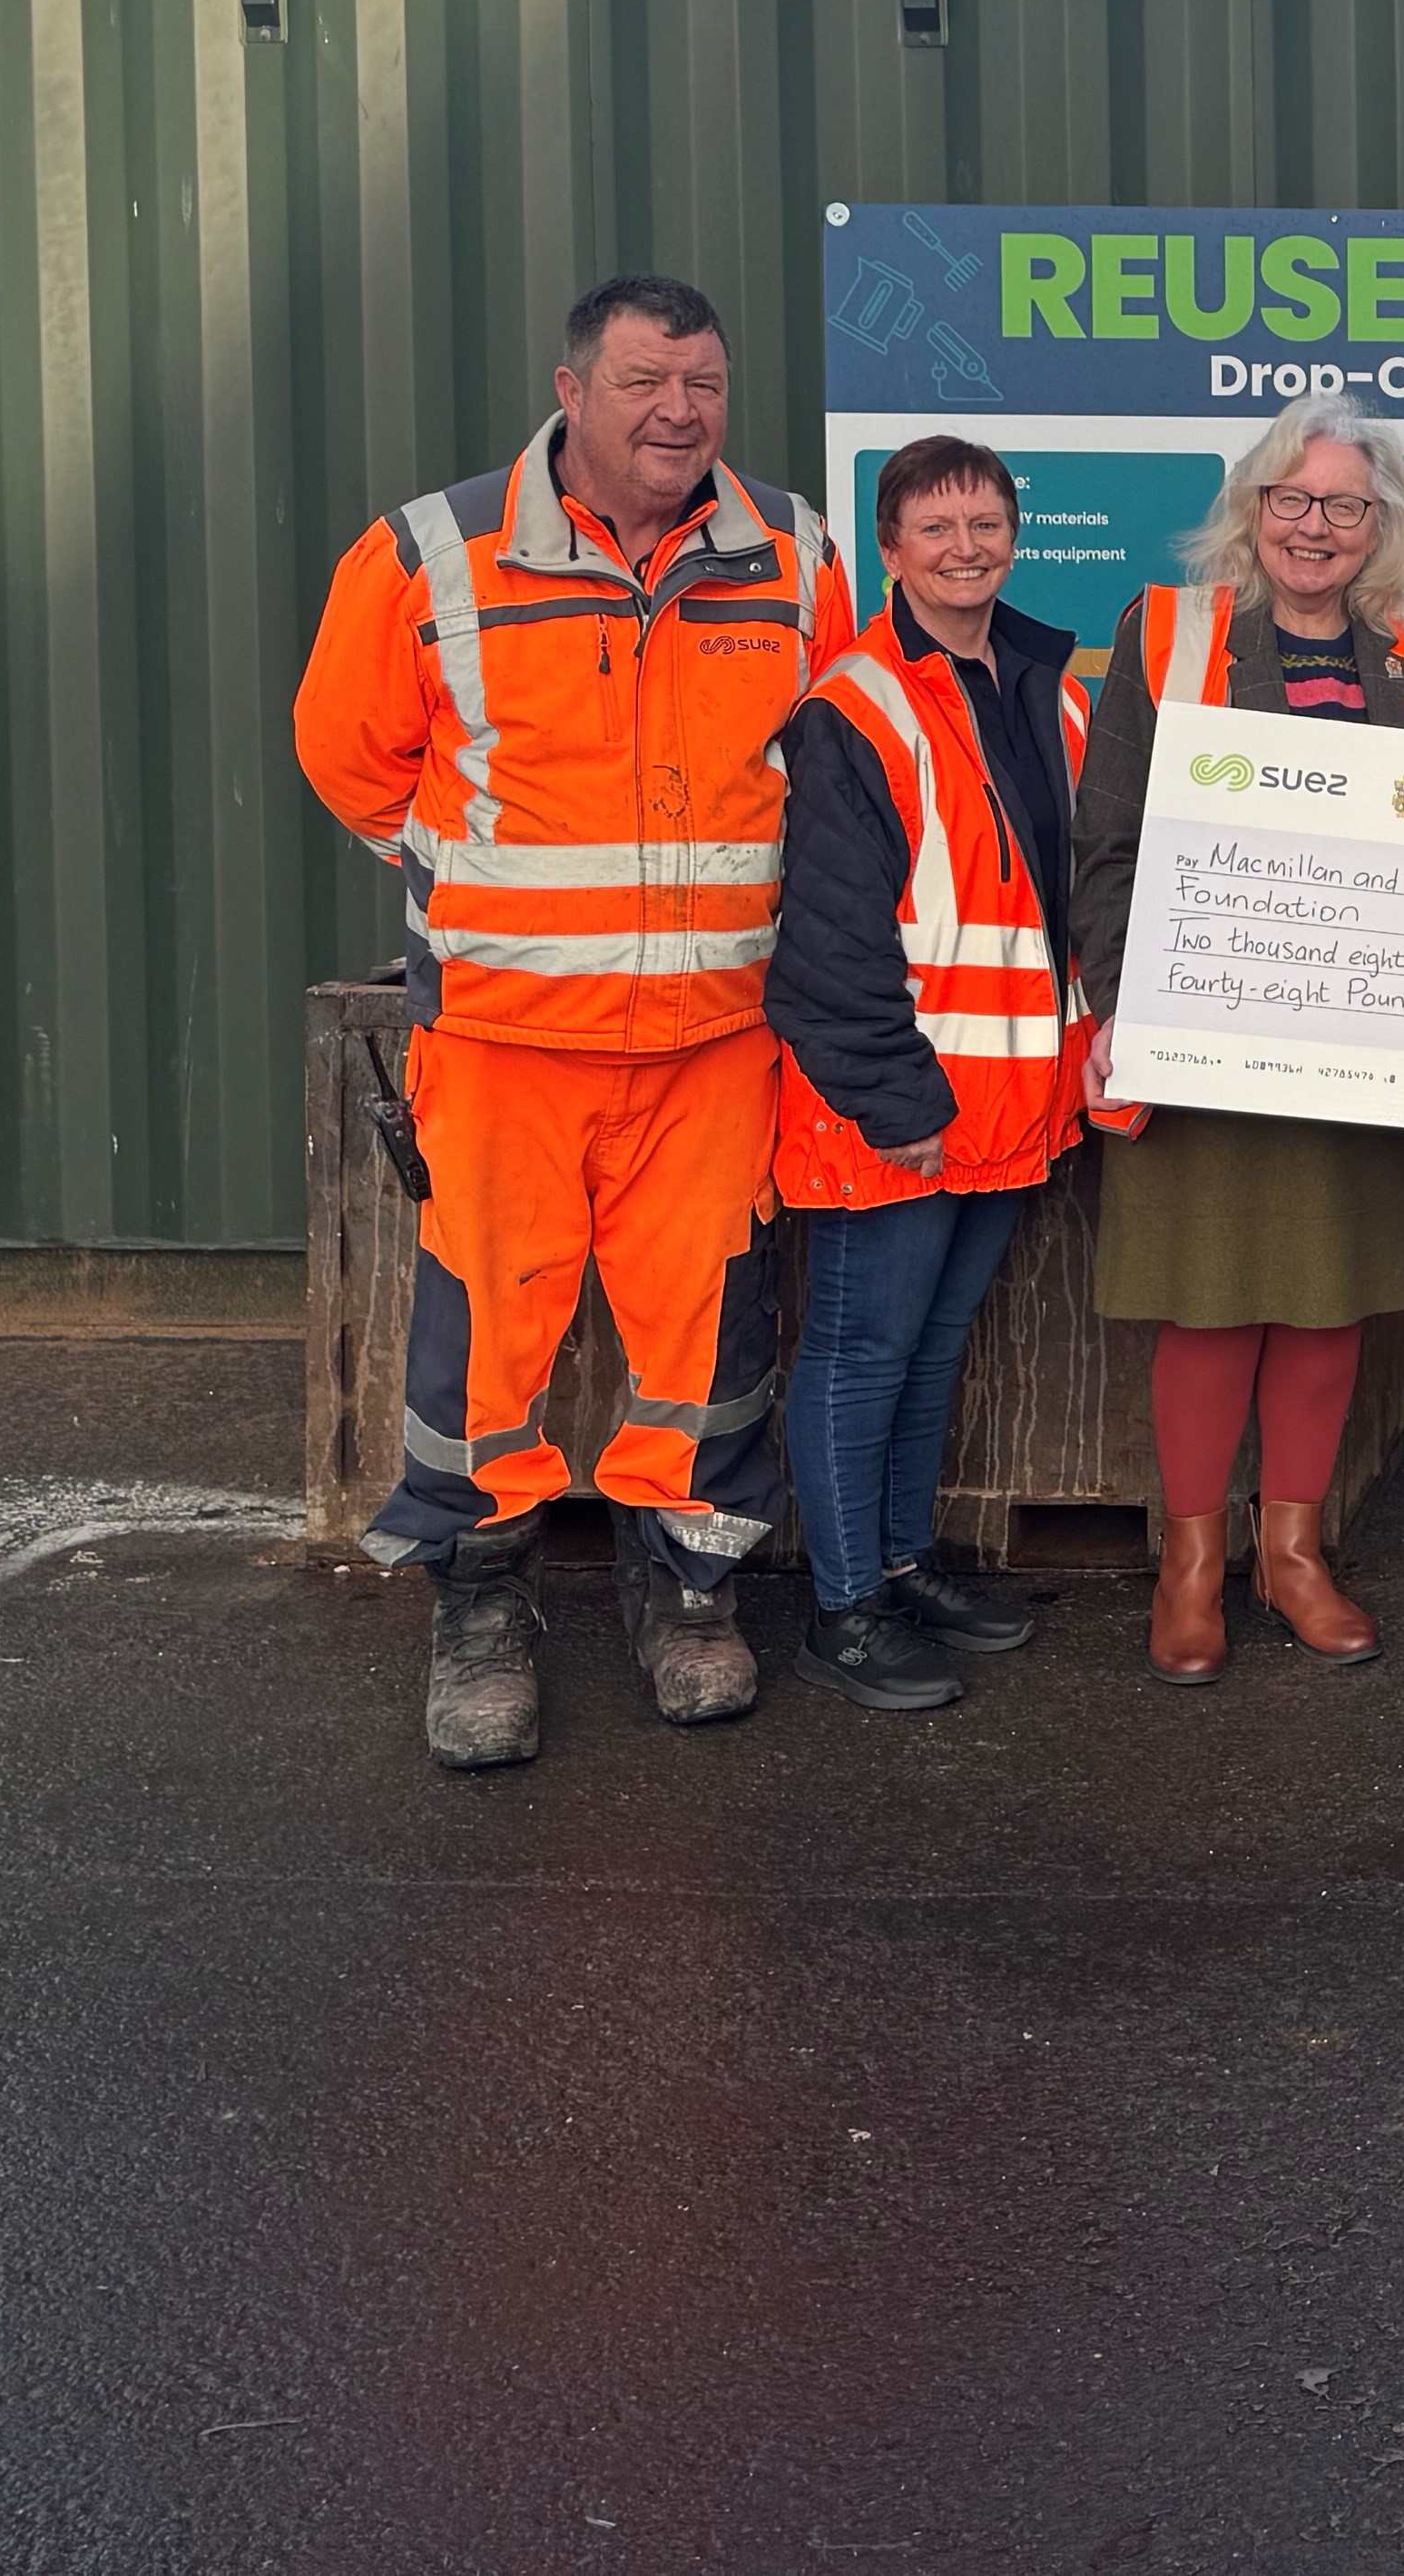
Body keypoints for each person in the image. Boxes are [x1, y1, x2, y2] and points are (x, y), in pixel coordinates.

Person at [294, 274, 856, 1772]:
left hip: (718, 1037)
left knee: (711, 1336)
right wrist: (470, 882)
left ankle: (690, 1587)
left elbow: (837, 752)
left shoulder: (793, 553)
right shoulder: (431, 552)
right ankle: (483, 1598)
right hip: (499, 1037)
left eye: (705, 385)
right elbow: (350, 756)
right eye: (643, 383)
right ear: (571, 389)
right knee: (484, 1336)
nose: (680, 412)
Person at [1069, 390, 1404, 1686]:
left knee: (1324, 1302)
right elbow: (1109, 832)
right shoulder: (1166, 630)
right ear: (1252, 508)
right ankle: (1191, 1565)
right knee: (1208, 1299)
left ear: (1381, 526)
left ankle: (1292, 1554)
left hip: (1367, 1037)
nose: (1315, 527)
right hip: (1202, 1029)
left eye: (1345, 505)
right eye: (1292, 500)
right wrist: (1120, 1002)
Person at [762, 434, 1083, 1715]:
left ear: (1014, 536)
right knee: (859, 1354)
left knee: (933, 1349)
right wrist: (895, 1104)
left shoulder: (1048, 687)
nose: (966, 549)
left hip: (1008, 1105)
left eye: (986, 524)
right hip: (896, 1107)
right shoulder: (857, 703)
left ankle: (902, 1562)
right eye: (936, 530)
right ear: (888, 551)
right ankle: (842, 1610)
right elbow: (827, 940)